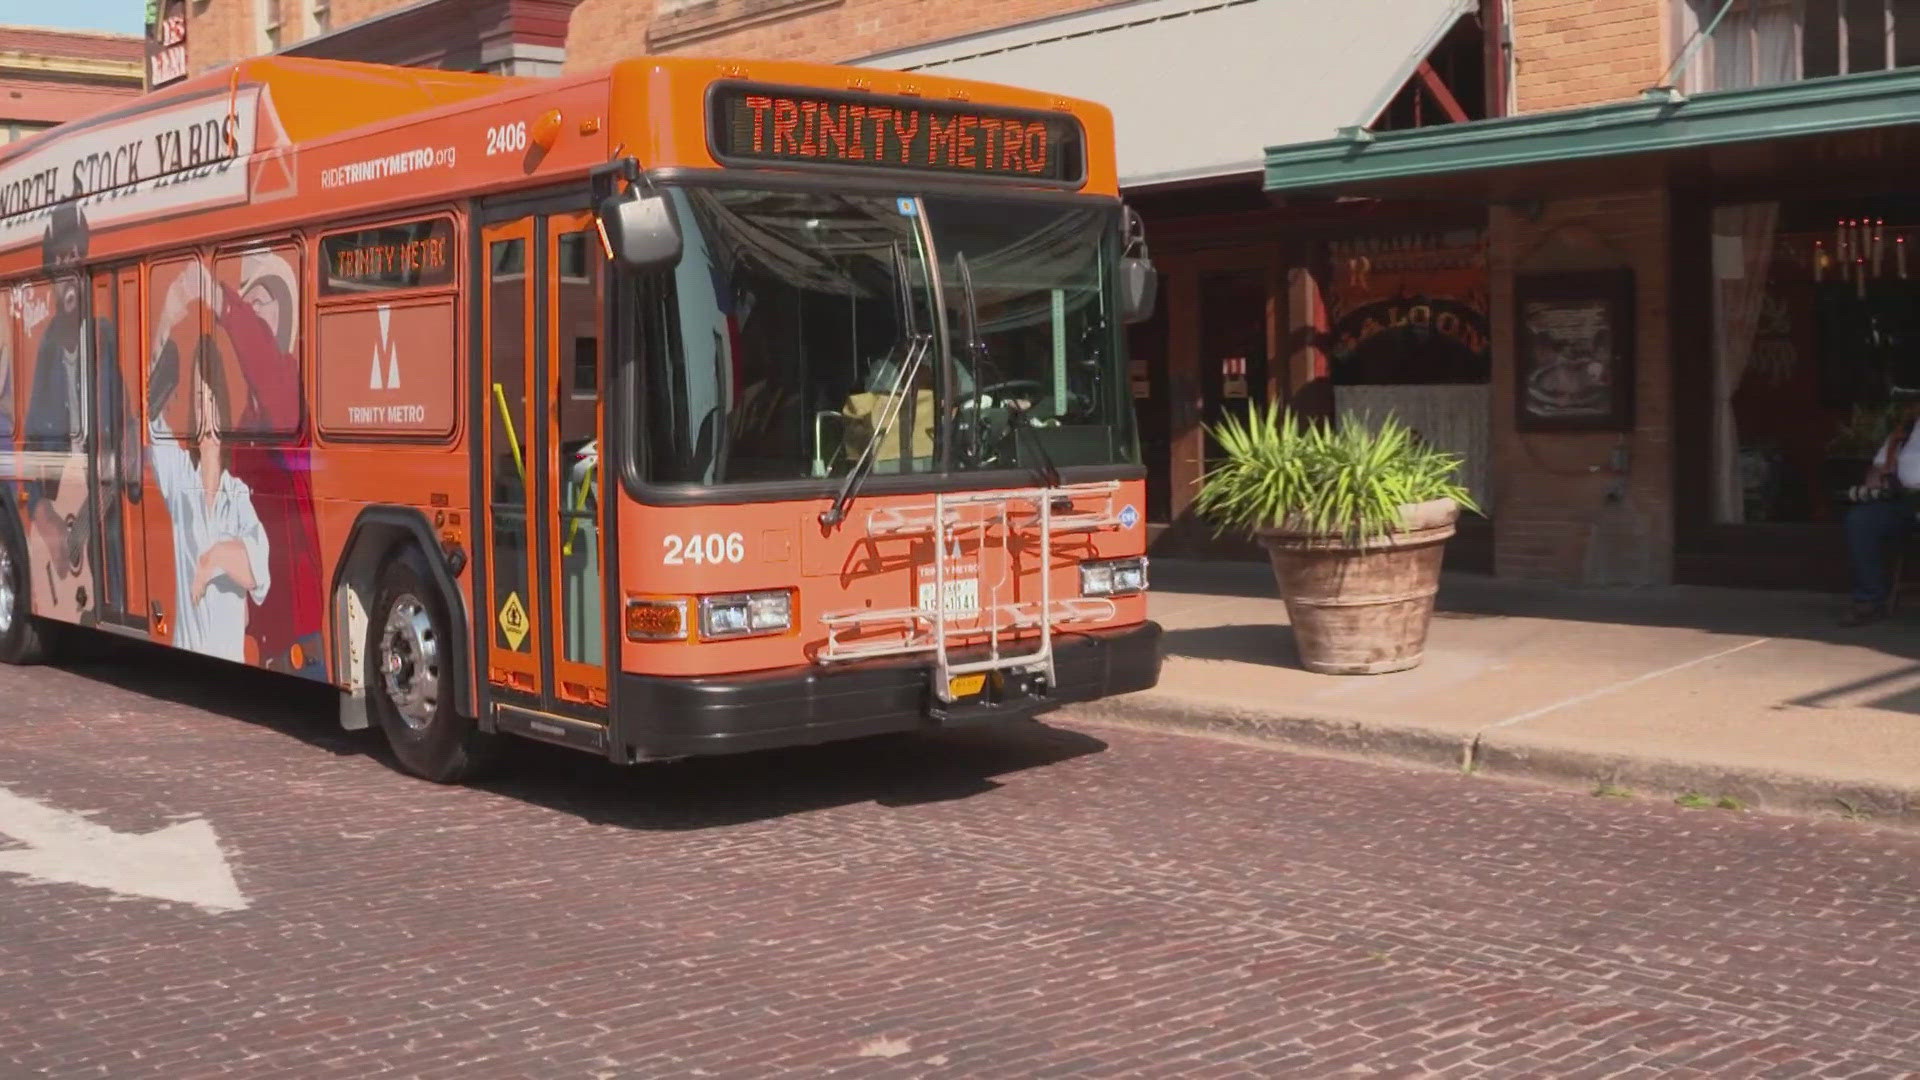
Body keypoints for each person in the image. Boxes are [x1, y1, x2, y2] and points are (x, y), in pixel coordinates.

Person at [1841, 405, 1920, 626]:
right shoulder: (1906, 430)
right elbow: (1876, 469)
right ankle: (1869, 600)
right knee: (1861, 520)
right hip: (1903, 499)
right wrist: (1876, 481)